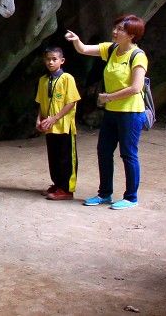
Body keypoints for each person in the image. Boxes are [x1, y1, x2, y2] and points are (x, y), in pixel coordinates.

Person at [64, 14, 148, 210]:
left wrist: (108, 97)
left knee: (128, 153)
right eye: (115, 27)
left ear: (131, 35)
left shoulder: (138, 56)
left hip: (131, 112)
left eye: (120, 29)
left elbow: (136, 88)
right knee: (104, 151)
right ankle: (104, 194)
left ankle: (131, 197)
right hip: (112, 112)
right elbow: (84, 49)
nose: (115, 31)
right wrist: (76, 40)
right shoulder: (111, 49)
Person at [35, 46, 81, 200]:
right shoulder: (43, 80)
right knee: (54, 157)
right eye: (48, 59)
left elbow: (71, 102)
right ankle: (57, 184)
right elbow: (41, 102)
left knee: (66, 157)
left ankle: (66, 189)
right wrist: (39, 119)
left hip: (64, 126)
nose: (51, 62)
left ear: (62, 61)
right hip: (50, 127)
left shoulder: (67, 78)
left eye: (54, 59)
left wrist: (54, 118)